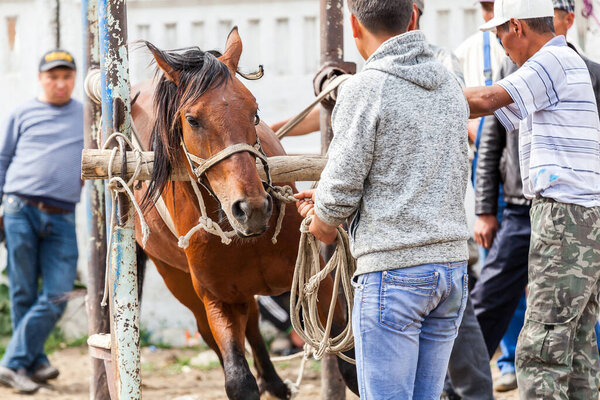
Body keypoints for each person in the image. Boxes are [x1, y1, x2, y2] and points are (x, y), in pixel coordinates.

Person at [295, 0, 470, 397]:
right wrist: (327, 203)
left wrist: (321, 220)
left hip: (394, 273)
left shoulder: (364, 88)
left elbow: (340, 189)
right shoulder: (448, 85)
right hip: (451, 271)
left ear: (354, 26)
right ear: (412, 17)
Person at [464, 0, 600, 397]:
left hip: (563, 217)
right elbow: (493, 128)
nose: (500, 44)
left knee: (540, 349)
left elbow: (488, 100)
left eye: (500, 32)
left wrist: (423, 96)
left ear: (517, 27)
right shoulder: (566, 63)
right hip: (585, 217)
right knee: (575, 344)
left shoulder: (548, 61)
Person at [0, 50, 83, 393]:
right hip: (20, 208)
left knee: (60, 292)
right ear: (41, 78)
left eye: (66, 76)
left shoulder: (87, 114)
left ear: (74, 79)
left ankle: (11, 363)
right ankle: (33, 363)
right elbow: (3, 159)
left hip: (62, 216)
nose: (60, 83)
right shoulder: (22, 113)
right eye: (53, 76)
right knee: (22, 290)